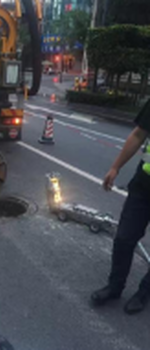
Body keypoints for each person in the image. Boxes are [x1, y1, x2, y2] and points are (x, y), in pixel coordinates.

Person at [91, 99, 150, 315]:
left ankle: (144, 293)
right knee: (124, 238)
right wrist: (115, 167)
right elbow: (138, 135)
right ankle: (115, 287)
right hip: (144, 185)